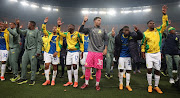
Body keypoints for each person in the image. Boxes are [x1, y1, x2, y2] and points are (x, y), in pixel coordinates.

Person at [141, 5, 169, 94]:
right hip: (149, 53)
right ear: (148, 25)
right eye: (151, 23)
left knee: (157, 70)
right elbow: (143, 43)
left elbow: (165, 24)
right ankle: (149, 85)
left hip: (157, 53)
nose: (153, 24)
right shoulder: (145, 33)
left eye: (153, 23)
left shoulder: (159, 30)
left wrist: (164, 15)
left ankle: (156, 86)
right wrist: (142, 52)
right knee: (149, 69)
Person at [79, 16, 108, 91]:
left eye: (100, 20)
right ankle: (86, 83)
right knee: (88, 67)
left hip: (99, 52)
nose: (100, 22)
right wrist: (84, 21)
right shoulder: (90, 29)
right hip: (91, 51)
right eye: (98, 20)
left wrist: (105, 49)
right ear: (94, 21)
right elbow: (81, 30)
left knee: (98, 69)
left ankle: (97, 84)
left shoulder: (103, 30)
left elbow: (106, 39)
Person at [57, 18, 84, 88]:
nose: (68, 27)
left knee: (74, 65)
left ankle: (76, 82)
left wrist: (82, 51)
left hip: (75, 52)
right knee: (68, 66)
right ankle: (70, 81)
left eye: (70, 27)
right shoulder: (66, 34)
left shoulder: (77, 34)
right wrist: (58, 26)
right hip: (68, 52)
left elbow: (81, 42)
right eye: (68, 27)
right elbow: (59, 33)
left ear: (73, 28)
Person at [115, 25, 142, 91]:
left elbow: (140, 37)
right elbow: (116, 46)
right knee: (121, 70)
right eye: (126, 30)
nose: (127, 32)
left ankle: (127, 85)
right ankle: (121, 84)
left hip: (129, 56)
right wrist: (116, 55)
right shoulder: (118, 37)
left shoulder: (132, 35)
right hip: (121, 56)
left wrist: (138, 31)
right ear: (123, 31)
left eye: (128, 30)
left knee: (128, 70)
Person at [16, 19, 42, 85]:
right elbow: (19, 32)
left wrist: (38, 51)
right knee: (23, 64)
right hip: (26, 50)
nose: (27, 25)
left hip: (33, 50)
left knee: (33, 66)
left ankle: (32, 79)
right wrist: (18, 25)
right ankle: (23, 78)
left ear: (32, 25)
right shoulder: (27, 31)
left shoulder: (37, 32)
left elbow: (39, 42)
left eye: (28, 24)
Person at [41, 17, 63, 86]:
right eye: (53, 28)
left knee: (55, 66)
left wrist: (57, 51)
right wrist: (44, 23)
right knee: (46, 65)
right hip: (48, 52)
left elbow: (60, 44)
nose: (54, 29)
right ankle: (47, 80)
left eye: (55, 28)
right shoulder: (49, 34)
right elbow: (43, 30)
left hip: (55, 54)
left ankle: (53, 80)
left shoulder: (59, 36)